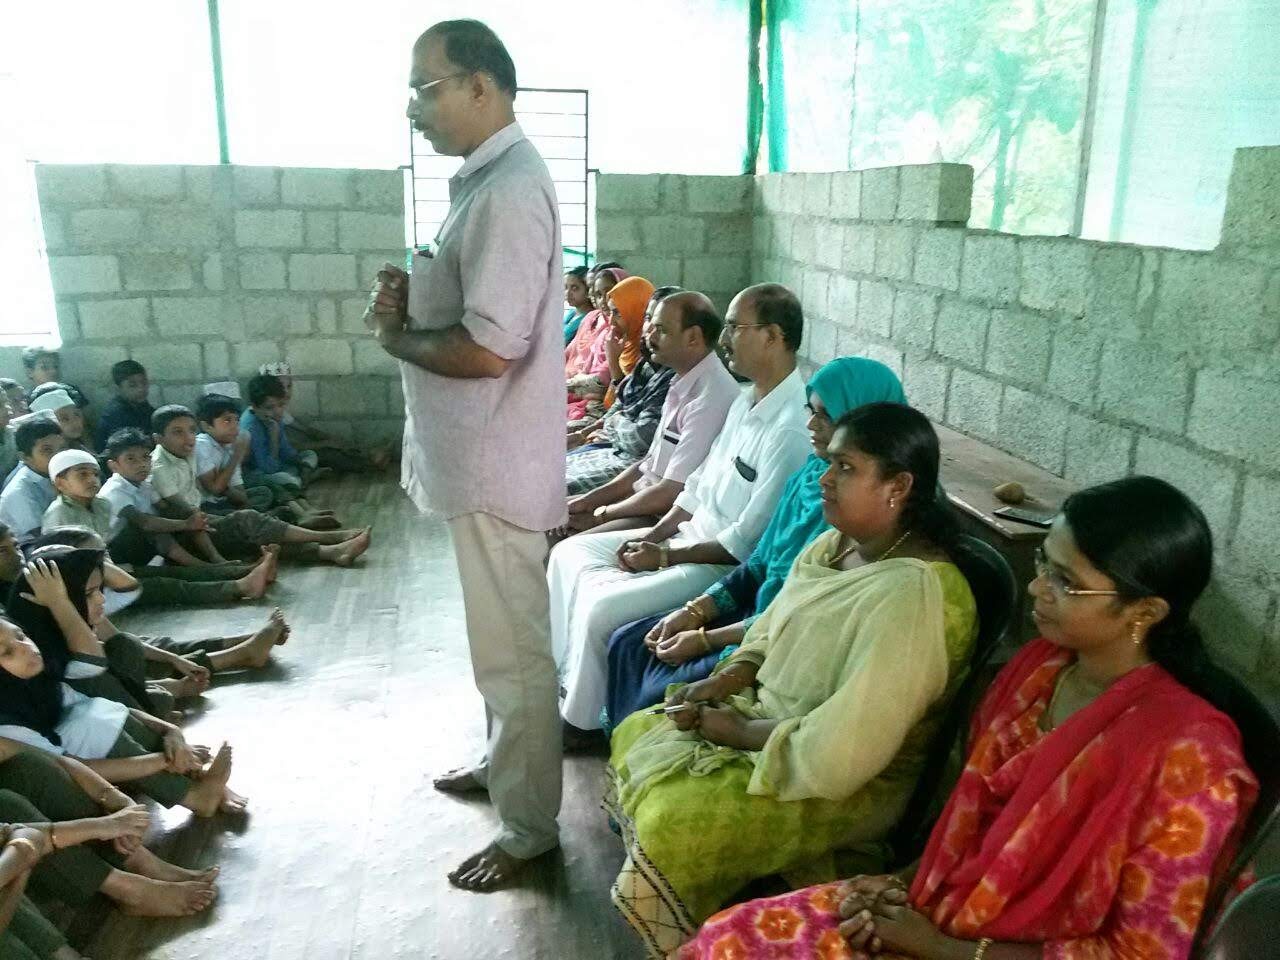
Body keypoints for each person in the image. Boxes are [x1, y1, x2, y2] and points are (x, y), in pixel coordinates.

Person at [677, 475, 1259, 960]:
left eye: (1066, 582)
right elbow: (966, 825)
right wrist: (897, 886)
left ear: (1145, 611)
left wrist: (946, 948)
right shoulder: (1037, 672)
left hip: (985, 948)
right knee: (724, 938)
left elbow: (1141, 952)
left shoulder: (1192, 763)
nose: (1037, 586)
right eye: (1044, 562)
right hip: (937, 911)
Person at [605, 403, 978, 956]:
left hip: (838, 778)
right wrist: (728, 678)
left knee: (673, 821)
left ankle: (708, 941)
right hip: (772, 721)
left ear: (898, 486)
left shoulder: (915, 596)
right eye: (830, 464)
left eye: (846, 468)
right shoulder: (838, 544)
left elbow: (849, 747)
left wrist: (738, 732)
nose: (825, 479)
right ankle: (715, 921)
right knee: (640, 728)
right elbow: (773, 624)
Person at [364, 17, 565, 891]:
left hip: (495, 468)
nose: (413, 108)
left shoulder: (510, 190)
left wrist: (397, 337)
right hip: (484, 463)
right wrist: (418, 296)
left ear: (481, 85)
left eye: (425, 87)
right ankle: (505, 768)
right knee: (497, 645)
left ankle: (530, 831)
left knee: (513, 653)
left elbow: (488, 349)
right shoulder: (486, 182)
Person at [549, 283, 813, 739]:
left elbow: (743, 543)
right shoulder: (746, 401)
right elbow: (695, 487)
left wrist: (666, 556)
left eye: (734, 327)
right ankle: (563, 679)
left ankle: (583, 722)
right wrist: (655, 537)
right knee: (567, 555)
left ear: (772, 336)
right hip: (681, 538)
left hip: (713, 563)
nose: (724, 339)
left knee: (603, 610)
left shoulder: (789, 429)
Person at [604, 356, 908, 729]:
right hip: (759, 609)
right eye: (810, 411)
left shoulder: (861, 511)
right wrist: (694, 611)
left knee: (661, 691)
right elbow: (761, 562)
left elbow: (800, 613)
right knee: (629, 642)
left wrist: (706, 639)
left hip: (782, 636)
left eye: (827, 416)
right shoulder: (809, 476)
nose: (811, 425)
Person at [0, 603, 246, 818]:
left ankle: (198, 776)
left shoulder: (38, 682)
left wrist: (171, 732)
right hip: (76, 792)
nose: (25, 647)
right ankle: (194, 795)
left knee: (97, 708)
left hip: (109, 764)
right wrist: (163, 760)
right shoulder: (6, 725)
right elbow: (70, 768)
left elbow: (116, 708)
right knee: (88, 724)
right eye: (7, 652)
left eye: (21, 636)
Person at [559, 291, 738, 536]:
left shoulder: (711, 396)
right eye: (650, 325)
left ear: (693, 337)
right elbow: (648, 465)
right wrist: (589, 501)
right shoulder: (680, 381)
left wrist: (601, 514)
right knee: (549, 512)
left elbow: (670, 492)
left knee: (561, 540)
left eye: (661, 330)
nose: (649, 335)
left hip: (659, 516)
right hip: (640, 498)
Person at [149, 405, 369, 566]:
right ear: (158, 439)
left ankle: (330, 552)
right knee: (249, 521)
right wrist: (216, 558)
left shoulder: (184, 452)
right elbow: (189, 514)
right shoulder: (159, 466)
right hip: (184, 534)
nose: (188, 437)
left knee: (258, 533)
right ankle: (330, 538)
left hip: (200, 520)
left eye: (191, 430)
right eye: (177, 432)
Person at [564, 285, 680, 494]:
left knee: (554, 487)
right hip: (612, 443)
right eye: (647, 318)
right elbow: (620, 404)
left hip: (631, 459)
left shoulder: (673, 374)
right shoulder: (647, 361)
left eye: (661, 325)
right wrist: (585, 433)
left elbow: (640, 437)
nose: (650, 329)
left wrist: (610, 423)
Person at [257, 363, 391, 475]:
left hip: (288, 454)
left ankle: (369, 454)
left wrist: (332, 440)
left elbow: (306, 430)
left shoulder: (281, 411)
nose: (286, 392)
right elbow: (289, 448)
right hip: (277, 461)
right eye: (281, 387)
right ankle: (370, 463)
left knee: (332, 442)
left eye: (289, 386)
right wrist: (326, 443)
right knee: (328, 454)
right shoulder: (268, 413)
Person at [567, 275, 654, 426]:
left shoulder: (649, 354)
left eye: (618, 313)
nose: (611, 321)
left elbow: (628, 406)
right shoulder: (625, 344)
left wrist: (613, 361)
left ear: (636, 309)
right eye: (597, 294)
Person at [565, 267, 627, 426]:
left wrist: (560, 386)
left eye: (610, 292)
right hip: (575, 390)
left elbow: (602, 382)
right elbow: (569, 352)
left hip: (598, 404)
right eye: (598, 294)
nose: (603, 300)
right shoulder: (592, 317)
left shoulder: (620, 332)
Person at [238, 374, 310, 500]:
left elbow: (286, 450)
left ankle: (304, 475)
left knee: (309, 455)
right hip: (256, 472)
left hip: (276, 464)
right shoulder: (251, 428)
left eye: (281, 405)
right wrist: (274, 437)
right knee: (286, 479)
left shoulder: (273, 418)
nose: (278, 411)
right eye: (269, 407)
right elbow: (268, 468)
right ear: (255, 407)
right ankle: (303, 478)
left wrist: (299, 462)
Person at [0, 418, 65, 542]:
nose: (58, 456)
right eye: (47, 450)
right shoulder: (19, 492)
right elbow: (45, 538)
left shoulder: (59, 473)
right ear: (25, 457)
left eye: (62, 448)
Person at [93, 360, 154, 452]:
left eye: (144, 382)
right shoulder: (116, 414)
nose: (141, 389)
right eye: (132, 385)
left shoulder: (141, 405)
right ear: (118, 388)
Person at [21, 351, 87, 410]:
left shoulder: (72, 391)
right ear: (30, 372)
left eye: (56, 366)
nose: (53, 371)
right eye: (45, 367)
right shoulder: (27, 400)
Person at [562, 265, 593, 344]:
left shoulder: (592, 320)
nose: (567, 293)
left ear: (588, 291)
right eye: (566, 287)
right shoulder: (571, 314)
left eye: (574, 288)